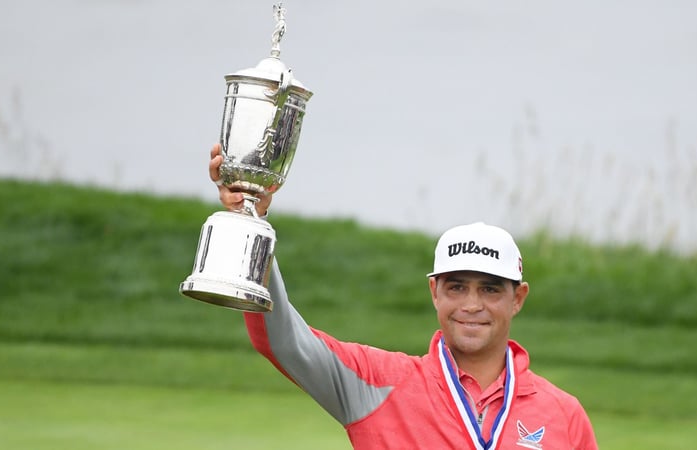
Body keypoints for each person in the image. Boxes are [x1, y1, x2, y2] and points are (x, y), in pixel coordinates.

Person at [209, 143, 599, 450]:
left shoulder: (564, 414)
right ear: (434, 291)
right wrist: (251, 220)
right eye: (457, 286)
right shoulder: (375, 383)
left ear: (518, 298)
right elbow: (282, 340)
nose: (472, 305)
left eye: (490, 289)